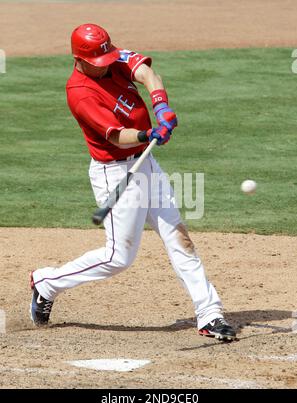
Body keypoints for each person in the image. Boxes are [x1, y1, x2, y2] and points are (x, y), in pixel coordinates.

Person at [30, 23, 236, 342]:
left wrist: (160, 104)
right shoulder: (80, 93)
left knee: (178, 236)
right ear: (78, 60)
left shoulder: (109, 58)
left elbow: (146, 74)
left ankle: (209, 313)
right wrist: (147, 133)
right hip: (116, 171)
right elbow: (116, 136)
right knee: (118, 258)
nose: (105, 66)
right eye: (97, 63)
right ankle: (46, 284)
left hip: (146, 164)